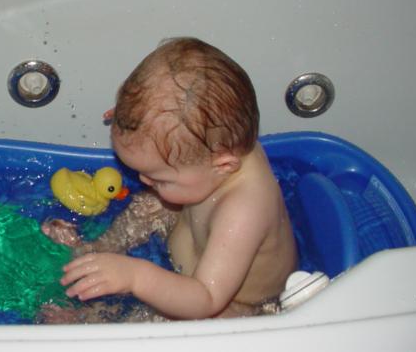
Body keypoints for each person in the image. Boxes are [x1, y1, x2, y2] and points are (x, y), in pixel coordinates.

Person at [42, 37, 297, 321]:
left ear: (223, 165)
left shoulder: (244, 212)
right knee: (149, 204)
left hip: (230, 304)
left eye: (161, 179)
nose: (144, 180)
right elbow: (176, 108)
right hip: (193, 250)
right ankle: (96, 250)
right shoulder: (215, 146)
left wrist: (136, 277)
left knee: (159, 321)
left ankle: (91, 320)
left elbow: (207, 299)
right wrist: (141, 121)